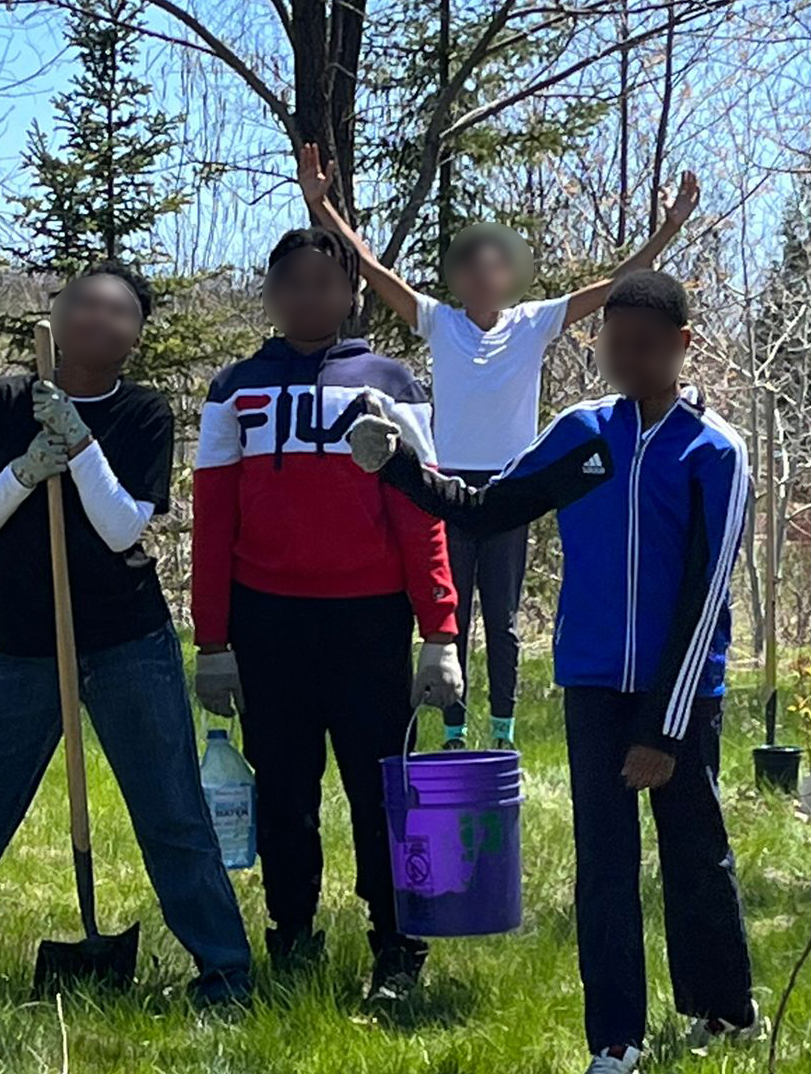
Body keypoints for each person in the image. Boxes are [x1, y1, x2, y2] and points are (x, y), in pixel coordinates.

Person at [347, 269, 754, 1074]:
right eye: (615, 344)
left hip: (682, 693)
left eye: (646, 345)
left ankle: (723, 1013)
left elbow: (706, 593)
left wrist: (665, 730)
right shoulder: (584, 435)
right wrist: (399, 467)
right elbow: (487, 507)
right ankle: (615, 1043)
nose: (627, 359)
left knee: (695, 851)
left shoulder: (714, 452)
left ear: (682, 345)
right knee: (603, 865)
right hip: (593, 685)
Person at [0, 263, 254, 1005]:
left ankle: (225, 971)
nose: (98, 319)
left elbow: (121, 528)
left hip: (128, 638)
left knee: (171, 810)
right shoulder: (8, 400)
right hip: (24, 642)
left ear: (135, 335)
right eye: (84, 303)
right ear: (58, 313)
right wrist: (25, 467)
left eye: (118, 312)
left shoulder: (143, 412)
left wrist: (78, 448)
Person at [298, 146, 700, 749]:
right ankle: (454, 729)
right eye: (472, 270)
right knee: (452, 614)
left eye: (494, 269)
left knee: (504, 621)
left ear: (509, 278)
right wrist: (320, 204)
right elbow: (372, 269)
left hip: (512, 486)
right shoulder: (439, 321)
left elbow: (616, 287)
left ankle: (504, 730)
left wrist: (668, 228)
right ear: (458, 280)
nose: (483, 279)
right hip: (447, 485)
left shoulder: (533, 322)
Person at [191, 225, 461, 1001]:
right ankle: (292, 939)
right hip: (267, 622)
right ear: (270, 294)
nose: (308, 296)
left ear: (350, 294)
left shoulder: (391, 383)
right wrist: (213, 640)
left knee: (382, 790)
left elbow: (422, 512)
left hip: (369, 621)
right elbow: (214, 519)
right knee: (284, 792)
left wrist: (439, 632)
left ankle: (398, 947)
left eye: (324, 282)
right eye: (292, 282)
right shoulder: (235, 389)